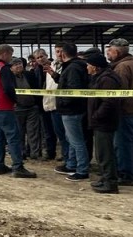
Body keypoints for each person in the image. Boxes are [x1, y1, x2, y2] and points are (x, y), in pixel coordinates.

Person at [0, 45, 34, 178]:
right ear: (5, 54)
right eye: (11, 55)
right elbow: (8, 88)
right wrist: (15, 100)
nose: (11, 59)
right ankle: (18, 166)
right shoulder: (4, 68)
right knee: (13, 137)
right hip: (4, 107)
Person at [107, 38, 133, 186]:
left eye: (110, 51)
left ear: (117, 52)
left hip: (127, 111)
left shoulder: (121, 67)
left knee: (123, 144)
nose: (108, 53)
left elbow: (119, 90)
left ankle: (125, 174)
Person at [51, 43, 91, 181]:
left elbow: (73, 89)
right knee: (72, 139)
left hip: (72, 110)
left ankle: (82, 169)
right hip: (72, 109)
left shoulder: (73, 68)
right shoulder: (73, 66)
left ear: (63, 53)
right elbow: (66, 84)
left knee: (77, 141)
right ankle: (72, 164)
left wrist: (63, 102)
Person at [86, 51, 123, 194]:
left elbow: (109, 102)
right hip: (100, 121)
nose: (87, 68)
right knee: (101, 153)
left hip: (104, 121)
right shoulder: (99, 77)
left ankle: (110, 182)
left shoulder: (107, 79)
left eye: (88, 65)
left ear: (95, 67)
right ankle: (105, 177)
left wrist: (96, 116)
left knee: (106, 153)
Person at [11, 56, 45, 166]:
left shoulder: (29, 75)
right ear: (11, 68)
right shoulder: (10, 78)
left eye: (20, 64)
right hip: (17, 109)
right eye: (16, 64)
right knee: (19, 133)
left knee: (33, 132)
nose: (19, 66)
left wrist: (37, 104)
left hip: (32, 108)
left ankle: (34, 153)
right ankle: (21, 153)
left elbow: (37, 89)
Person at [40, 51, 66, 161]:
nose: (40, 59)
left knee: (62, 134)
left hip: (59, 104)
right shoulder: (49, 68)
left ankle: (66, 156)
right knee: (49, 132)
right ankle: (53, 153)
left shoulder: (65, 67)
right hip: (48, 104)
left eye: (42, 56)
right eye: (57, 51)